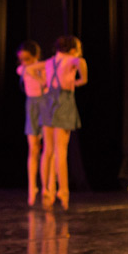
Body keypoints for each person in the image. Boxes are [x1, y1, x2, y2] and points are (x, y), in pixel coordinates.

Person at [40, 36, 88, 210]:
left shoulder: (49, 62)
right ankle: (63, 190)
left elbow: (31, 72)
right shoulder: (73, 59)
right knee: (61, 150)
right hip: (63, 101)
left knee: (48, 150)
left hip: (48, 102)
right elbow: (82, 71)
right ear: (74, 48)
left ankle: (47, 189)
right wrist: (77, 81)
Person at [17, 40, 48, 206]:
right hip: (32, 107)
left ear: (36, 56)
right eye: (21, 59)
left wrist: (38, 72)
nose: (23, 62)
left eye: (27, 58)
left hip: (45, 104)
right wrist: (31, 68)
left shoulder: (43, 67)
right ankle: (32, 187)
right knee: (33, 148)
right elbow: (24, 69)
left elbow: (46, 77)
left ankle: (45, 186)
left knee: (48, 148)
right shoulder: (22, 69)